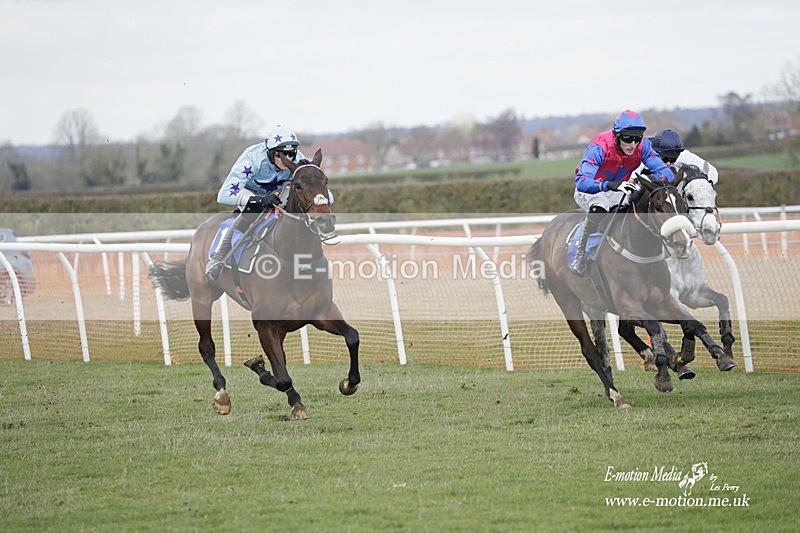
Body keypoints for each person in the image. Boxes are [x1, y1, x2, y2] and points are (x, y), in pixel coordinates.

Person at [570, 110, 675, 276]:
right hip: (593, 189)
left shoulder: (643, 146)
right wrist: (609, 185)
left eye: (637, 138)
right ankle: (580, 254)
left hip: (620, 187)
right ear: (617, 135)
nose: (633, 144)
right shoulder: (600, 147)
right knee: (601, 206)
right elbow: (582, 181)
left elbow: (667, 172)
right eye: (627, 138)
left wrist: (651, 178)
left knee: (643, 201)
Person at [205, 124, 306, 280]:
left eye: (291, 154)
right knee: (254, 209)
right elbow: (223, 195)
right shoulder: (253, 158)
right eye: (283, 155)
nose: (288, 159)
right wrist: (259, 200)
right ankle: (218, 257)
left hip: (277, 193)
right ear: (271, 153)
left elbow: (326, 196)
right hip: (249, 192)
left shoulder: (298, 159)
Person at [646, 129, 718, 184]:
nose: (668, 163)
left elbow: (712, 171)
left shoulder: (684, 155)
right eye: (664, 159)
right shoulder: (644, 152)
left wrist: (704, 186)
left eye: (673, 160)